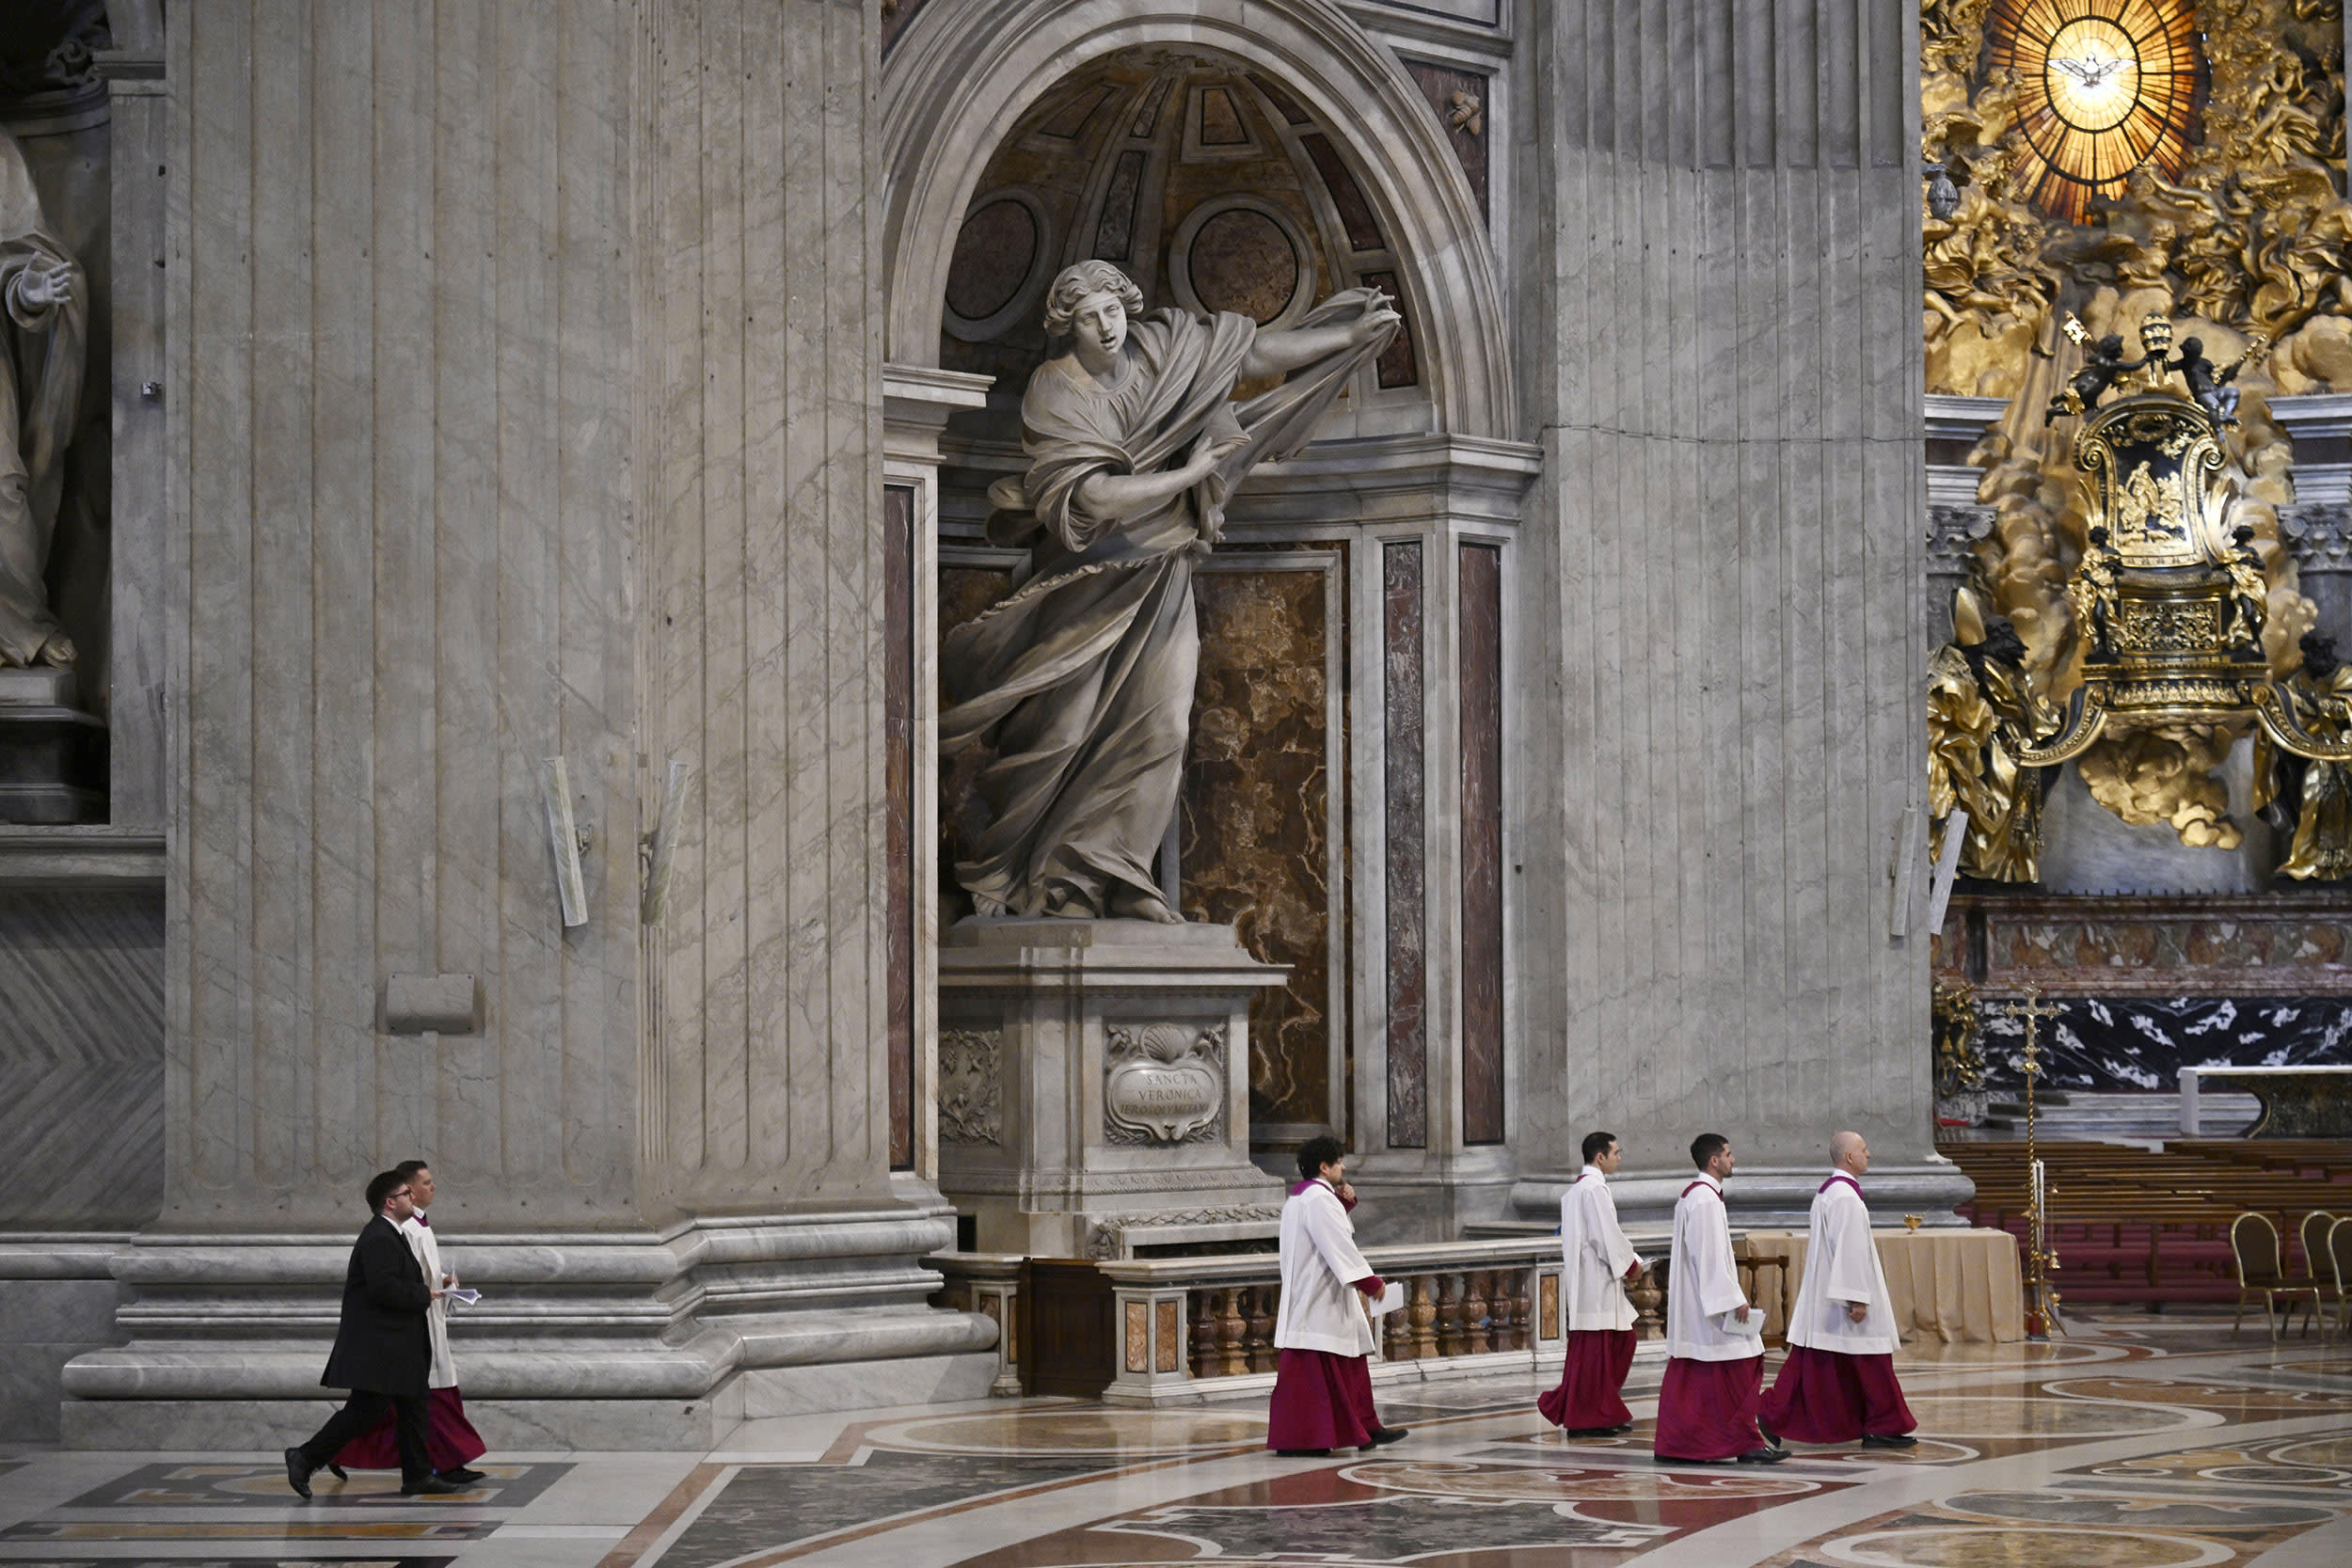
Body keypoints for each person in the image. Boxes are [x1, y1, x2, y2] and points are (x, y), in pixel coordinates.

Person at [940, 260, 1397, 922]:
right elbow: (1090, 497)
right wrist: (1189, 479)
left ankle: (1112, 875)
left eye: (1114, 309)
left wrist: (1346, 338)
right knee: (1064, 734)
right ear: (1066, 326)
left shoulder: (1162, 348)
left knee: (1164, 726)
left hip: (1163, 575)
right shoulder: (1053, 390)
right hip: (1087, 581)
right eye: (1090, 317)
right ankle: (1050, 881)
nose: (1107, 325)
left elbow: (1253, 353)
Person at [284, 1172, 460, 1497]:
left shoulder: (392, 1234)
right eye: (406, 1192)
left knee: (414, 1406)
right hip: (382, 1344)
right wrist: (425, 1295)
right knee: (367, 1409)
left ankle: (418, 1475)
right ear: (390, 1203)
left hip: (398, 1342)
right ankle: (305, 1456)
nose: (412, 1196)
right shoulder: (379, 1236)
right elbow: (384, 1289)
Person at [326, 1161, 488, 1484]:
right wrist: (429, 1291)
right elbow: (393, 1282)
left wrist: (442, 1281)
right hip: (412, 1324)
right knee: (399, 1405)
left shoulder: (415, 1226)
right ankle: (432, 1465)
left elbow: (418, 1273)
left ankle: (436, 1465)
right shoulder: (397, 1231)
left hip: (424, 1316)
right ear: (406, 1192)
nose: (432, 1188)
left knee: (406, 1405)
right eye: (425, 1183)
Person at [1756, 1132, 1919, 1449]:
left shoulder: (1830, 1193)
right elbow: (1849, 1249)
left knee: (1816, 1364)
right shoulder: (1844, 1197)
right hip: (1844, 1298)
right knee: (1870, 1362)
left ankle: (1777, 1415)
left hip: (1826, 1297)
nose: (1868, 1154)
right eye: (1863, 1149)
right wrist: (1856, 1298)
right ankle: (1882, 1424)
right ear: (1849, 1158)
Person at [1266, 1135, 1409, 1457]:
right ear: (1324, 1166)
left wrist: (1344, 1203)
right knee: (1320, 1369)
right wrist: (1371, 1283)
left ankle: (1366, 1426)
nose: (1343, 1167)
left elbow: (1323, 1232)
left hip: (1318, 1290)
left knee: (1351, 1358)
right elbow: (1338, 1244)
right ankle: (1305, 1438)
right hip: (1320, 1296)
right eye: (1339, 1162)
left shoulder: (1302, 1198)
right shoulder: (1318, 1199)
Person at [1654, 1133, 1785, 1465]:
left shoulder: (1697, 1196)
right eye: (1728, 1154)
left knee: (1703, 1375)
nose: (1733, 1159)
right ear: (1714, 1160)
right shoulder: (1706, 1200)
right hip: (1711, 1307)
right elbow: (1709, 1256)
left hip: (1700, 1304)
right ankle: (1744, 1442)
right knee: (1745, 1364)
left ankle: (1695, 1442)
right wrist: (1732, 1299)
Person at [1537, 1130, 1643, 1436]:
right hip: (1597, 1282)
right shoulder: (1593, 1190)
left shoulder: (1579, 1189)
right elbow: (1603, 1236)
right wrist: (1631, 1264)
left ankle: (1598, 1408)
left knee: (1617, 1344)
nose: (1619, 1158)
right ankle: (1588, 1416)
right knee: (1604, 1349)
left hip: (1593, 1282)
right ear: (1600, 1156)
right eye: (1616, 1152)